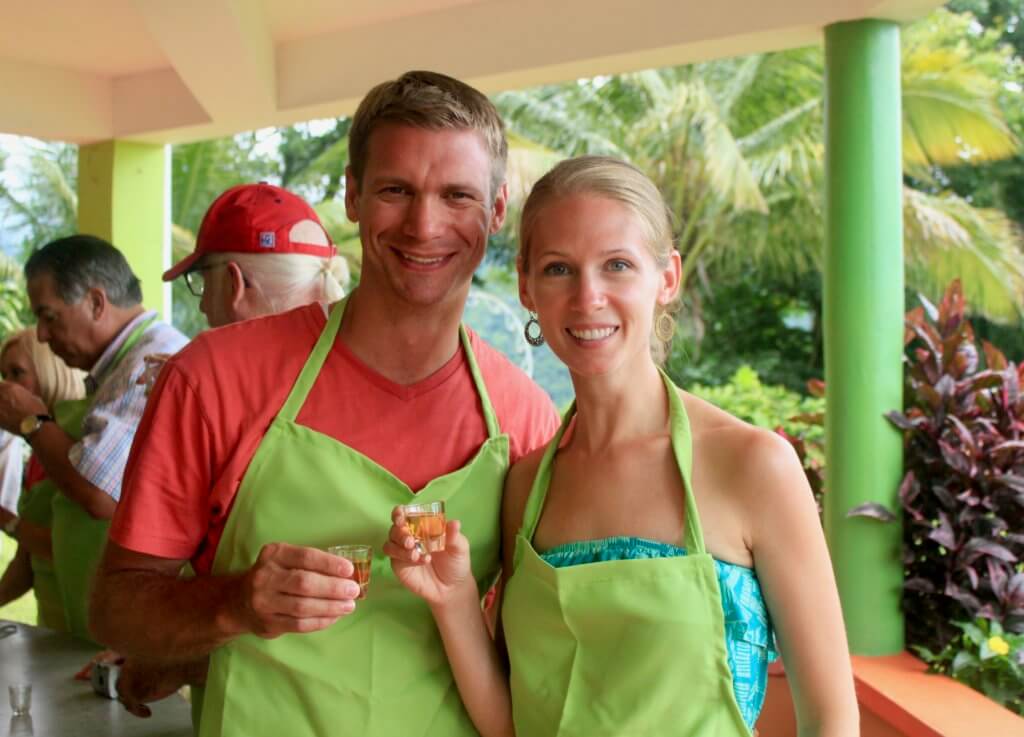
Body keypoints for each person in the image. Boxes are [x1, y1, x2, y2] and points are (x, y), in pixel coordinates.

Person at [90, 70, 560, 737]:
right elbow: (114, 605)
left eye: (457, 195)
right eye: (396, 190)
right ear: (352, 196)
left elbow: (532, 654)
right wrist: (233, 604)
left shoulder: (526, 420)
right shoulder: (215, 378)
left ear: (496, 210)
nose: (425, 225)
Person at [384, 156, 860, 737]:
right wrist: (454, 599)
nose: (588, 298)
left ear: (667, 279)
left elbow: (832, 721)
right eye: (559, 269)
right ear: (527, 288)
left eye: (617, 265)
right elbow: (513, 724)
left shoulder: (751, 465)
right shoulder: (528, 484)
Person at [118, 183, 351, 715]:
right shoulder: (376, 370)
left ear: (233, 282)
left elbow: (280, 604)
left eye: (203, 289)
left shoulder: (202, 382)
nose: (203, 313)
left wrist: (163, 655)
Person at [0, 235, 188, 643]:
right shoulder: (117, 367)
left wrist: (32, 422)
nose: (44, 336)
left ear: (96, 303)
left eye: (49, 317)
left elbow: (99, 494)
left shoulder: (146, 364)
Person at [0, 328, 87, 629]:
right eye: (4, 375)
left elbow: (65, 547)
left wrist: (6, 520)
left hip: (90, 639)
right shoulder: (38, 450)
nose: (7, 387)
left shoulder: (80, 443)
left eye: (17, 373)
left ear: (50, 372)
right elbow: (26, 567)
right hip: (53, 632)